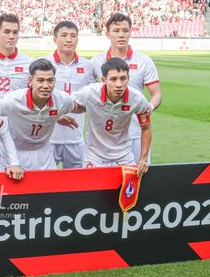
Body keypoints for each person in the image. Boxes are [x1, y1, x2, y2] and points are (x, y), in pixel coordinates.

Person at [91, 13, 161, 164]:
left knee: (138, 180)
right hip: (104, 136)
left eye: (125, 30)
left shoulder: (143, 61)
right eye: (116, 31)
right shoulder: (96, 61)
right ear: (107, 33)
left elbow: (156, 94)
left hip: (135, 132)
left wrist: (150, 106)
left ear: (130, 32)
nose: (121, 35)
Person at [0, 59, 78, 170]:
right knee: (12, 188)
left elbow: (79, 107)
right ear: (31, 81)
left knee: (50, 187)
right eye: (40, 80)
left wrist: (56, 117)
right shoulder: (13, 100)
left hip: (44, 155)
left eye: (50, 80)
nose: (46, 85)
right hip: (15, 156)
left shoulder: (63, 100)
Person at [70, 58, 152, 177]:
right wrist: (59, 117)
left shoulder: (137, 98)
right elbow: (68, 103)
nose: (119, 84)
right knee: (93, 194)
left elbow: (146, 128)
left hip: (124, 156)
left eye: (123, 78)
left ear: (128, 78)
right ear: (103, 80)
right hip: (94, 156)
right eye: (113, 79)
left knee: (126, 194)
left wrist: (143, 159)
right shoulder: (90, 92)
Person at [0, 13, 33, 172]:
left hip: (18, 132)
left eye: (15, 32)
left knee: (18, 178)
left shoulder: (29, 63)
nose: (11, 36)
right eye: (7, 32)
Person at [44, 20, 96, 168]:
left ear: (77, 39)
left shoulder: (88, 66)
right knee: (44, 184)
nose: (68, 39)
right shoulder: (43, 63)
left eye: (73, 36)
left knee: (78, 185)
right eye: (64, 35)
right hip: (47, 138)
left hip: (76, 138)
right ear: (55, 39)